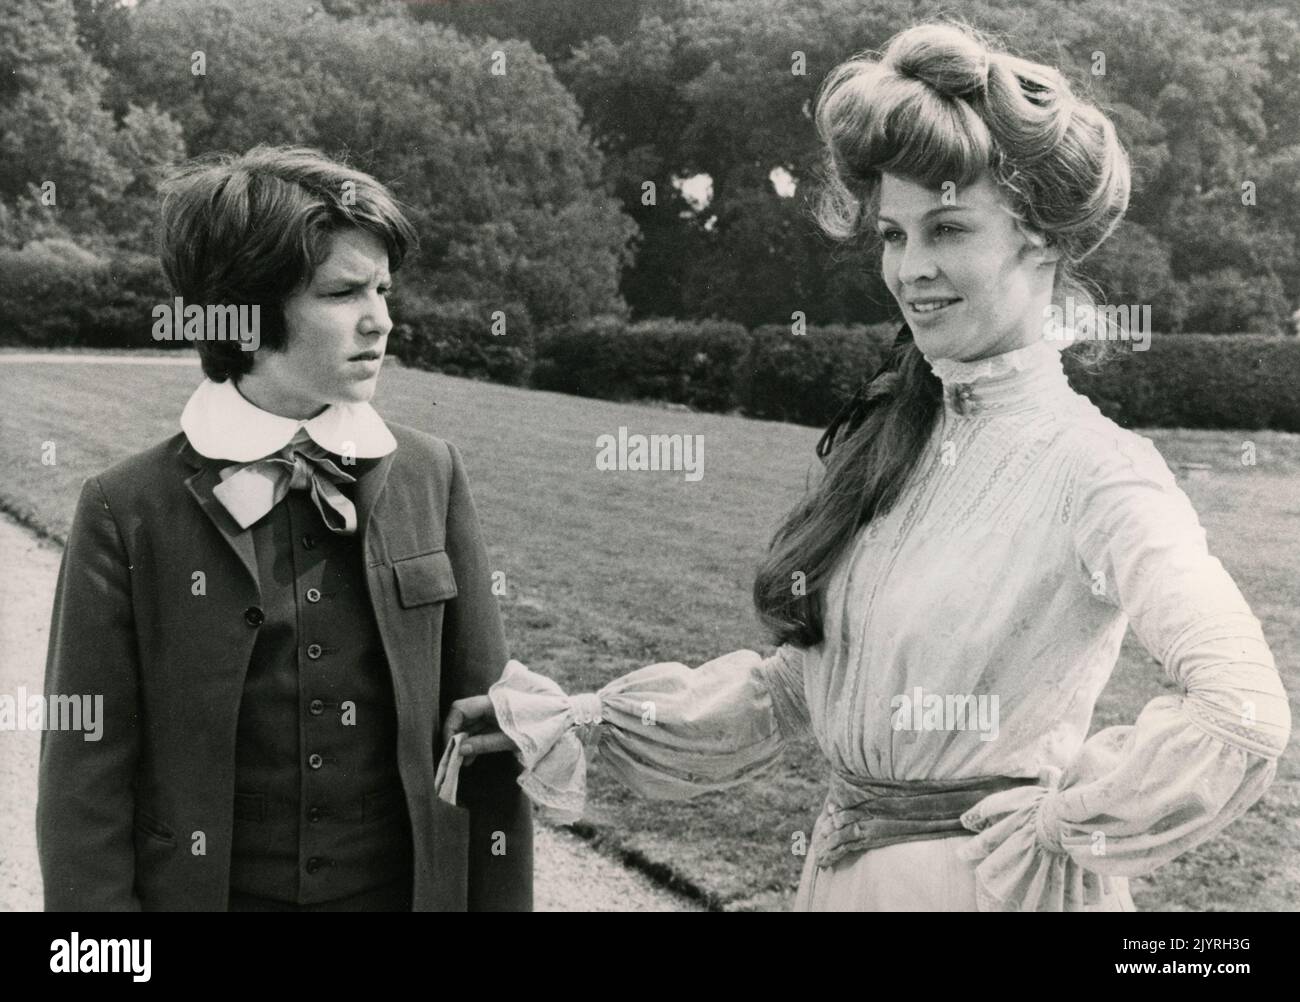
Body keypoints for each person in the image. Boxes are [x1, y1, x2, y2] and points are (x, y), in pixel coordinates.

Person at [442, 22, 1290, 911]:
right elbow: (796, 691)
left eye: (949, 228)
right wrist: (579, 720)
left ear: (1041, 239)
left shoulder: (1103, 474)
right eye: (894, 234)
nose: (912, 269)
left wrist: (1067, 821)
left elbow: (1243, 712)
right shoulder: (899, 435)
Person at [36, 146, 532, 911]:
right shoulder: (125, 508)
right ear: (246, 313)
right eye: (342, 293)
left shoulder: (431, 475)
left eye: (384, 289)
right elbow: (83, 782)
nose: (381, 320)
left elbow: (491, 746)